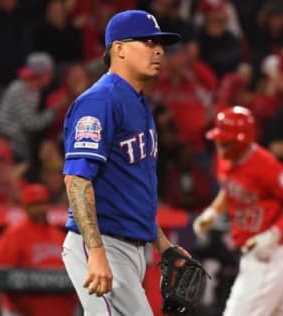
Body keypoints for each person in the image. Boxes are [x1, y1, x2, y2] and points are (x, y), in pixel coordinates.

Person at [61, 10, 192, 315]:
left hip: (132, 247)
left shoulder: (139, 102)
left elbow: (131, 190)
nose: (158, 50)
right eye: (147, 42)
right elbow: (77, 180)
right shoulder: (100, 101)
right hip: (101, 242)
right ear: (118, 48)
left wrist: (162, 244)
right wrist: (95, 253)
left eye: (160, 44)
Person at [193, 106, 283, 316]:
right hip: (252, 250)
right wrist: (212, 212)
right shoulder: (225, 158)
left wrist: (274, 233)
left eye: (226, 141)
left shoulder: (264, 164)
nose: (220, 145)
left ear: (242, 139)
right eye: (219, 140)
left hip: (270, 252)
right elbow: (230, 188)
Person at [0, 183, 78, 316]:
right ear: (25, 207)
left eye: (42, 203)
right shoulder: (13, 235)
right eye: (35, 205)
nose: (40, 209)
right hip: (24, 311)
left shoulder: (59, 236)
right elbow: (0, 276)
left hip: (61, 310)